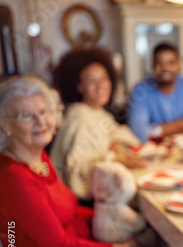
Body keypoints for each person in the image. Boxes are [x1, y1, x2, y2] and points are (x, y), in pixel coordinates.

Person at [0, 76, 183, 247]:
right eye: (26, 115)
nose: (41, 121)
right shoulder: (16, 178)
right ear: (5, 124)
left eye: (43, 111)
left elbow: (65, 208)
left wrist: (111, 221)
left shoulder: (37, 158)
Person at [51, 47, 146, 204]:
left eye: (104, 79)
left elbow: (120, 134)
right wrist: (114, 158)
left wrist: (114, 143)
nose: (100, 86)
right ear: (78, 86)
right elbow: (76, 171)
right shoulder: (79, 116)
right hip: (82, 204)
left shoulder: (100, 113)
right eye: (91, 81)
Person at [128, 42, 183, 142]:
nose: (165, 68)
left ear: (179, 65)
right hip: (156, 153)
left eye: (171, 63)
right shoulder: (140, 90)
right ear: (152, 66)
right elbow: (138, 133)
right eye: (159, 63)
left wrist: (158, 129)